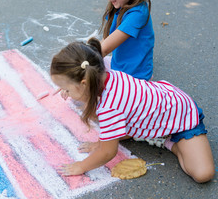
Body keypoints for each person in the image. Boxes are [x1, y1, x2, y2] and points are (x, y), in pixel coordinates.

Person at [50, 38, 215, 183]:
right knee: (100, 119)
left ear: (85, 83)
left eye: (66, 89)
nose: (66, 93)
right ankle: (159, 134)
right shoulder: (104, 72)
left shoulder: (109, 108)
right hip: (161, 105)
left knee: (203, 174)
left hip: (182, 118)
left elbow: (108, 152)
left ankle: (169, 141)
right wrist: (101, 142)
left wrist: (81, 166)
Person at [98, 0, 154, 81]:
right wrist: (84, 55)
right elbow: (105, 40)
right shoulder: (119, 5)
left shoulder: (138, 14)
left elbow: (105, 49)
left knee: (92, 95)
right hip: (119, 69)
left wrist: (76, 69)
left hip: (135, 78)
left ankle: (148, 83)